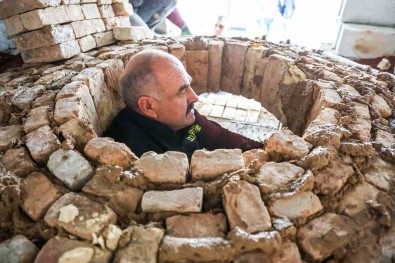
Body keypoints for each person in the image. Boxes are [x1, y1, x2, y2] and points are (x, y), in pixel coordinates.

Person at [104, 50, 263, 158]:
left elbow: (220, 137)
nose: (194, 97)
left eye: (189, 85)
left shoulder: (181, 118)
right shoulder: (137, 155)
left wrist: (268, 152)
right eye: (182, 91)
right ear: (148, 106)